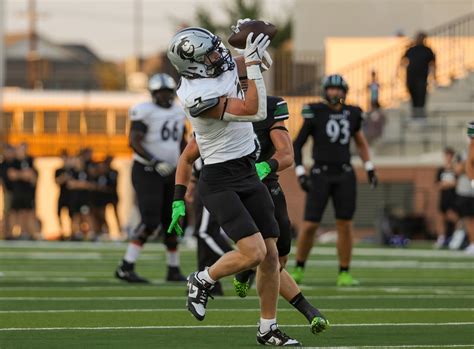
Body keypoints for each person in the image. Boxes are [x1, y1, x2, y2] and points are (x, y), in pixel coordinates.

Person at [167, 26, 300, 345]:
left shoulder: (215, 64)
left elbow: (253, 61)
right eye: (210, 54)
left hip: (247, 173)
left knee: (270, 256)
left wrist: (253, 40)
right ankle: (202, 278)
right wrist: (179, 198)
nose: (218, 56)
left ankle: (267, 328)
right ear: (193, 64)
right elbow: (254, 108)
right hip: (219, 179)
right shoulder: (195, 96)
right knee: (253, 253)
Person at [231, 93, 329, 334]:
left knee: (280, 258)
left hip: (267, 181)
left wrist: (267, 165)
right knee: (269, 255)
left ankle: (245, 271)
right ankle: (306, 311)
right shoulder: (222, 103)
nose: (243, 85)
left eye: (247, 79)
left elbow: (287, 153)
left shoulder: (270, 105)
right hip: (236, 184)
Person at [291, 74, 378, 287]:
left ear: (345, 92)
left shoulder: (353, 113)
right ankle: (299, 268)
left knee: (345, 224)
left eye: (338, 89)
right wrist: (301, 172)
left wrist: (369, 167)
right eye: (331, 89)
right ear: (325, 90)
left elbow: (361, 142)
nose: (335, 93)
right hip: (320, 173)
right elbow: (297, 144)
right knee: (310, 224)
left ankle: (344, 272)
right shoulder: (315, 112)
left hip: (344, 173)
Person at [115, 73, 187, 283]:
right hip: (147, 171)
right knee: (150, 220)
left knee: (172, 221)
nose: (165, 97)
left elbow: (181, 140)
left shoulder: (178, 110)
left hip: (170, 171)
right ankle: (125, 266)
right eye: (161, 93)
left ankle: (173, 269)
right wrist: (155, 161)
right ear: (153, 94)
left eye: (168, 93)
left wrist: (187, 162)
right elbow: (134, 141)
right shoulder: (144, 111)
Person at [401, 31, 436, 119]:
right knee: (413, 97)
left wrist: (434, 76)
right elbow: (402, 61)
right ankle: (415, 116)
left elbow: (433, 64)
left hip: (421, 79)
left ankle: (420, 117)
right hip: (410, 78)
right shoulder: (411, 49)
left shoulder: (428, 50)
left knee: (421, 98)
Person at [7, 143, 39, 240]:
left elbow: (33, 176)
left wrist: (20, 175)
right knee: (16, 213)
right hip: (17, 192)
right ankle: (14, 233)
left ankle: (28, 233)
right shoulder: (14, 161)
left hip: (28, 193)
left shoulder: (30, 160)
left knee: (28, 213)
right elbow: (11, 175)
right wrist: (23, 175)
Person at [434, 147, 458, 248]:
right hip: (443, 198)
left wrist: (446, 184)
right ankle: (441, 238)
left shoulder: (455, 169)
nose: (448, 158)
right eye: (446, 155)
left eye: (450, 156)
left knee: (454, 217)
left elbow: (456, 183)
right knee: (440, 218)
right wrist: (448, 184)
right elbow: (437, 185)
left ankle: (457, 237)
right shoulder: (440, 170)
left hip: (453, 198)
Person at [55, 150, 74, 239]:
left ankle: (72, 232)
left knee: (72, 215)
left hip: (72, 196)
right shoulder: (59, 170)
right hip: (62, 195)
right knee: (59, 214)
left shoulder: (73, 170)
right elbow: (57, 181)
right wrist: (64, 178)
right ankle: (62, 231)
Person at [0, 145, 16, 239]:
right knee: (6, 214)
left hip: (17, 192)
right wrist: (4, 190)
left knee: (14, 214)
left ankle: (11, 233)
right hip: (8, 192)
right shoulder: (3, 165)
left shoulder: (14, 163)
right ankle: (4, 233)